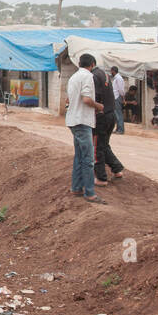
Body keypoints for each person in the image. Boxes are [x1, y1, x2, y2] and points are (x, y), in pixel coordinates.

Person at [63, 53, 104, 203]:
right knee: (88, 159)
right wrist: (98, 106)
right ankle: (90, 193)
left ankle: (76, 187)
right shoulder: (87, 77)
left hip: (73, 120)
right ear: (92, 64)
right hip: (82, 121)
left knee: (79, 157)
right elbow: (86, 99)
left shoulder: (73, 77)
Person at [92, 65, 126, 184]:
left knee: (97, 148)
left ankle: (101, 178)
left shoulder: (94, 76)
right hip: (110, 115)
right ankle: (117, 169)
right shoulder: (104, 74)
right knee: (104, 144)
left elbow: (95, 97)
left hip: (102, 116)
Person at [110, 66, 126, 135]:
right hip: (115, 97)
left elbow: (121, 90)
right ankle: (118, 129)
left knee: (118, 114)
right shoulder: (116, 78)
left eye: (111, 71)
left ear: (113, 71)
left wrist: (123, 98)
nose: (111, 73)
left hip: (117, 97)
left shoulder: (119, 78)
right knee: (116, 114)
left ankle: (121, 130)